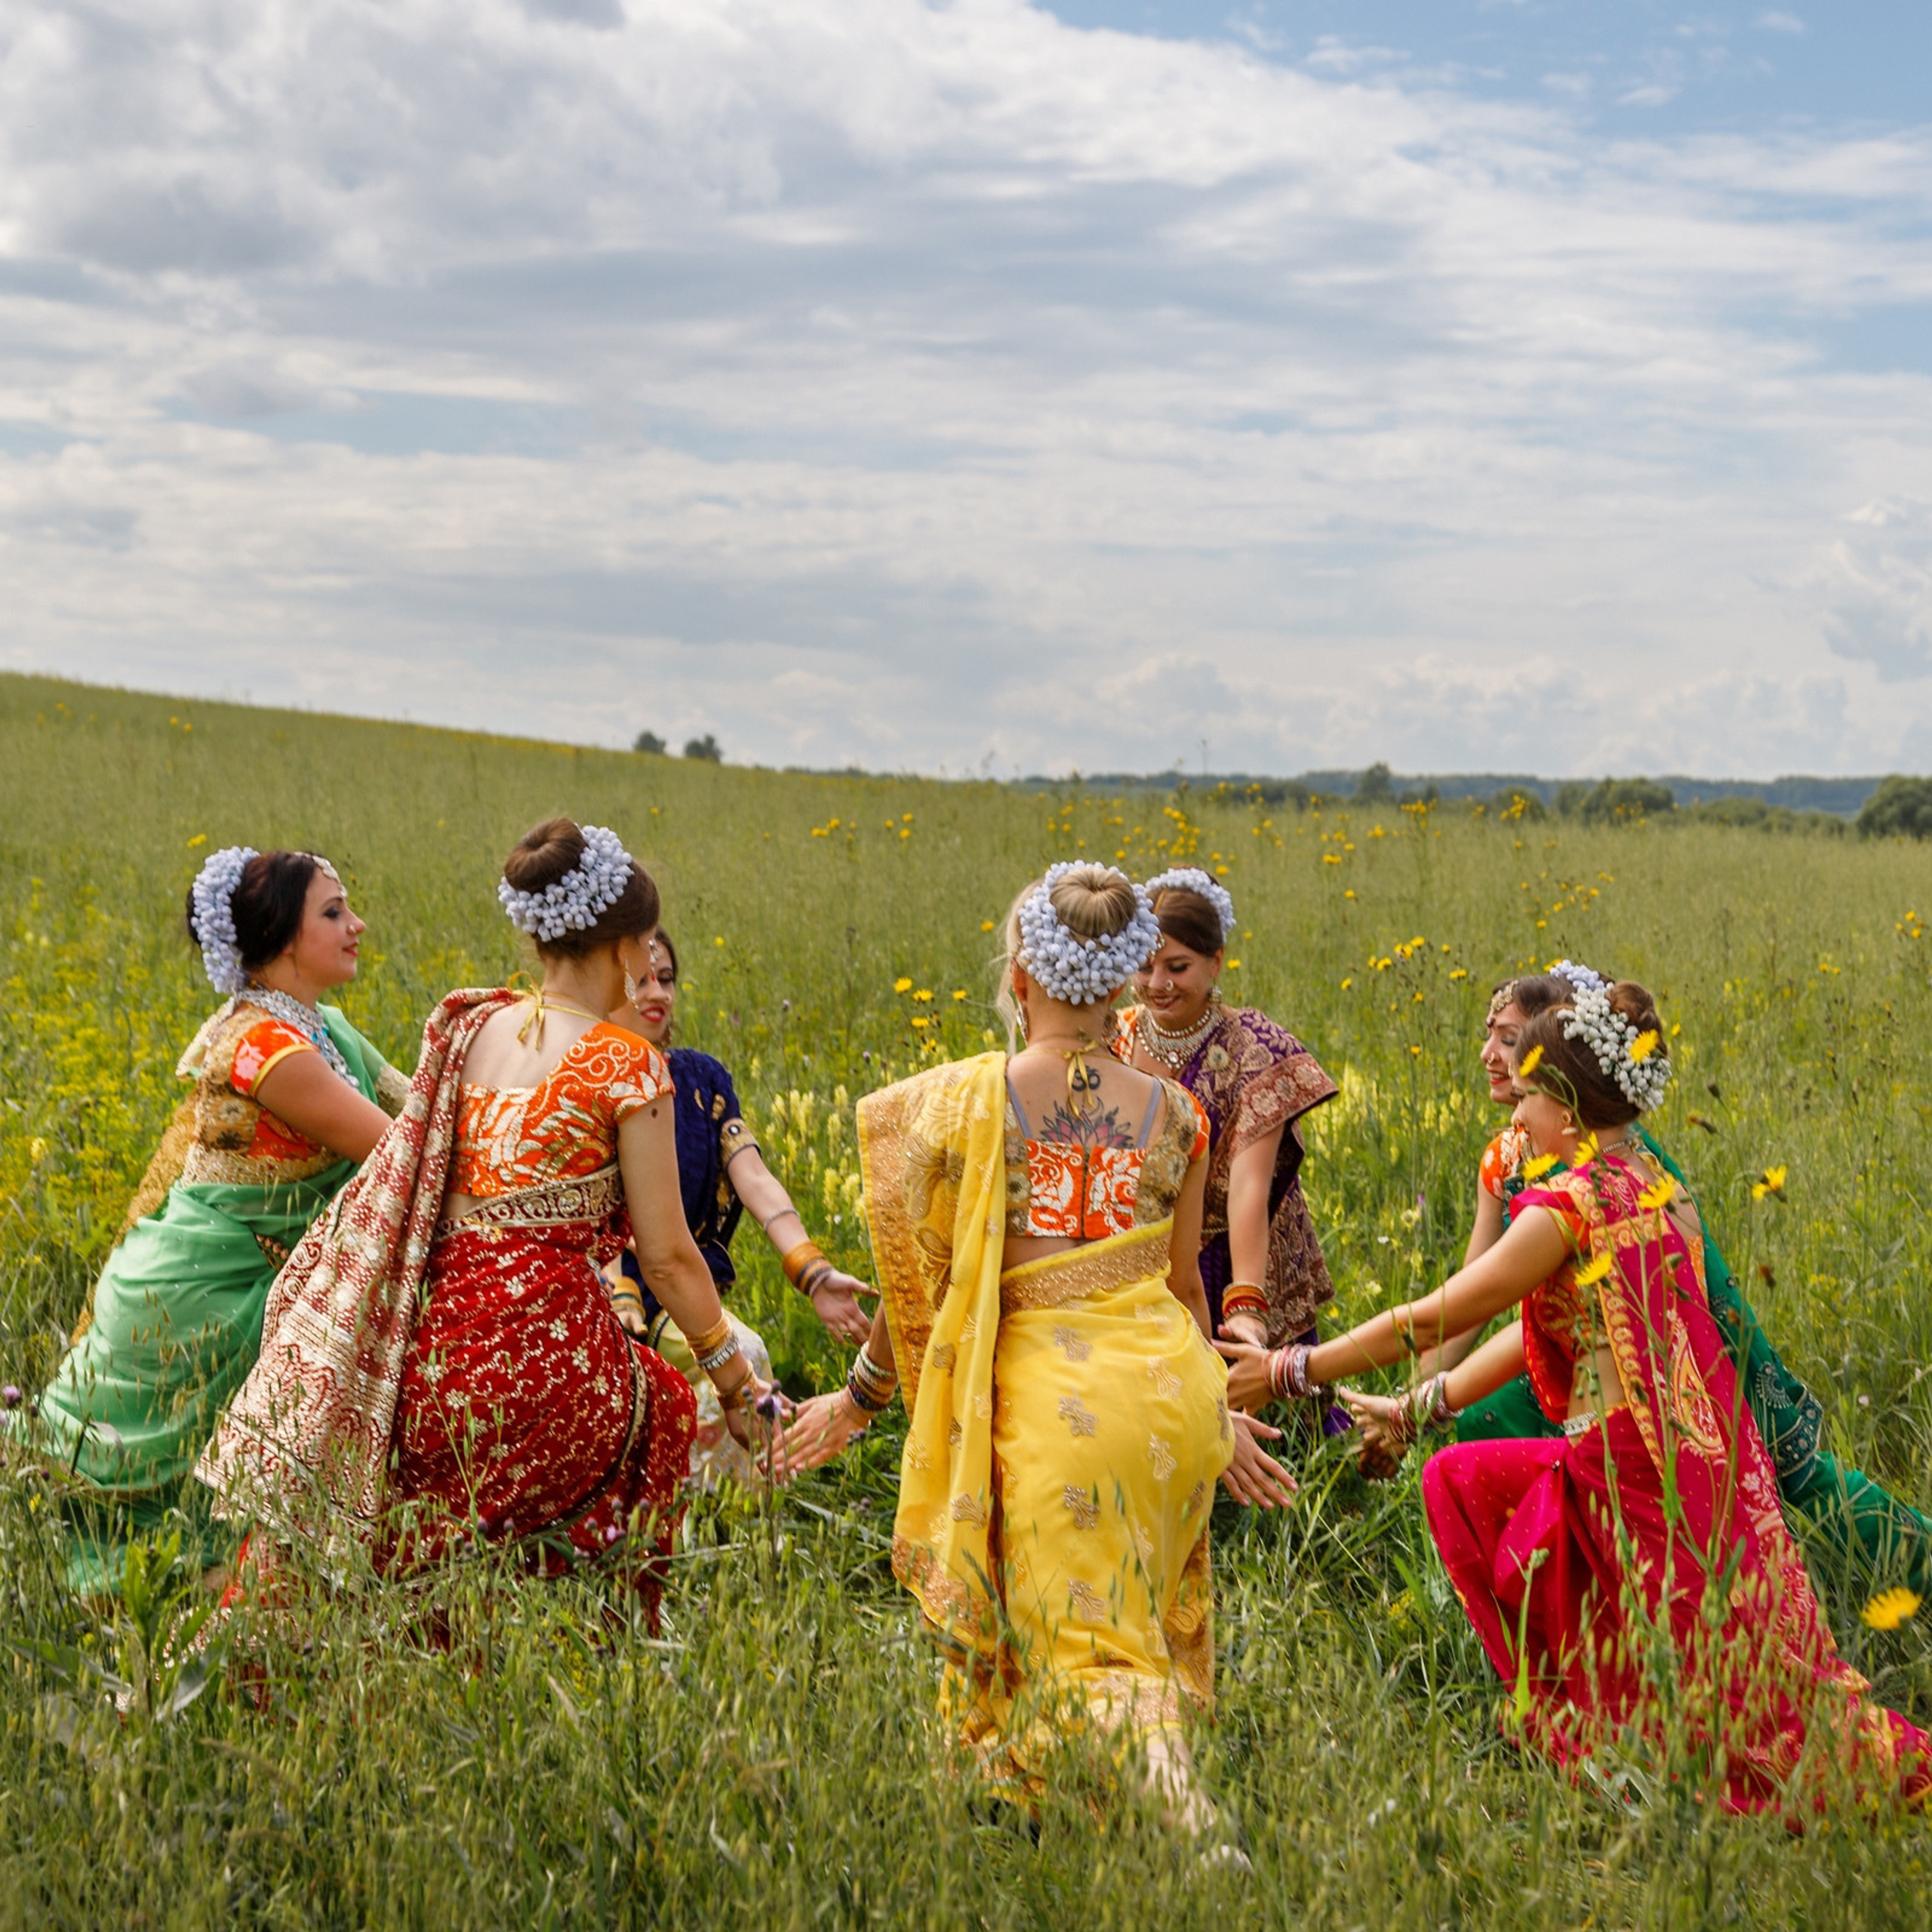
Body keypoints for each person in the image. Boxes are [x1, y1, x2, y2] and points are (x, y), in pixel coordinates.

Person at [1222, 980, 1931, 1815]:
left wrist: (1290, 1370)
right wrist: (1420, 1407)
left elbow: (1436, 1316)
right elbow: (1550, 1331)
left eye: (1524, 1094)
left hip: (1623, 1463)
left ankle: (1598, 1727)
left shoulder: (1565, 1206)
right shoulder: (1652, 1186)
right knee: (1472, 1484)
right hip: (1689, 1451)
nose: (1515, 1115)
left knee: (1737, 1685)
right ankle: (1611, 1725)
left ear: (1563, 1101)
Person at [781, 863, 1295, 1835]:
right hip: (1167, 1394)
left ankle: (1195, 1834)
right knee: (1119, 1624)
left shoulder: (961, 1102)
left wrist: (859, 1396)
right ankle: (1092, 1819)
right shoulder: (1178, 1115)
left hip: (1056, 1402)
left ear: (1019, 972)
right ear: (1122, 979)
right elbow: (1186, 1286)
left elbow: (919, 1277)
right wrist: (1218, 1413)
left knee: (1092, 1651)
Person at [196, 820, 782, 1623]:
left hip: (423, 1336)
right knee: (659, 1404)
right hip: (537, 1348)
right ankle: (595, 1645)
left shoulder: (469, 1025)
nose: (651, 967)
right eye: (645, 944)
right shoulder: (627, 1063)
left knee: (417, 1542)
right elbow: (671, 1257)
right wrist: (735, 1382)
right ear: (620, 947)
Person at [1361, 961, 1931, 1593]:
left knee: (1791, 1471)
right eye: (1494, 1035)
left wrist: (1414, 1400)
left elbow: (1649, 1294)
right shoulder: (1505, 1157)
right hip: (1577, 1360)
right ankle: (1582, 1607)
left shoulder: (1614, 1162)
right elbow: (1463, 1302)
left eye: (1512, 1040)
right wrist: (1406, 1409)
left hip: (1678, 1344)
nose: (1494, 1056)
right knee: (1488, 1425)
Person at [7, 847, 407, 1594]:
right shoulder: (264, 1048)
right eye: (333, 911)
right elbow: (402, 1150)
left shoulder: (327, 1031)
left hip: (255, 1289)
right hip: (194, 1301)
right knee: (101, 1482)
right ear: (284, 937)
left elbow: (423, 1107)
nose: (358, 924)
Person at [610, 929, 872, 1485]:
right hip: (616, 1294)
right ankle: (728, 1529)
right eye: (640, 981)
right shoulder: (591, 1077)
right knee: (741, 1352)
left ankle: (736, 1529)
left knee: (736, 1360)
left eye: (667, 979)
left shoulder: (701, 1078)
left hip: (687, 1292)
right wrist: (621, 1288)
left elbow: (752, 1176)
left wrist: (812, 1270)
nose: (658, 993)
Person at [1112, 869, 1339, 1355]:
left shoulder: (1254, 1048)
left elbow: (1248, 1186)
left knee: (1259, 1410)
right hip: (1140, 1253)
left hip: (1231, 1255)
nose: (1157, 984)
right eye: (1145, 966)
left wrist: (1246, 1304)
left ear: (1215, 963)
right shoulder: (1113, 1037)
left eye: (1177, 967)